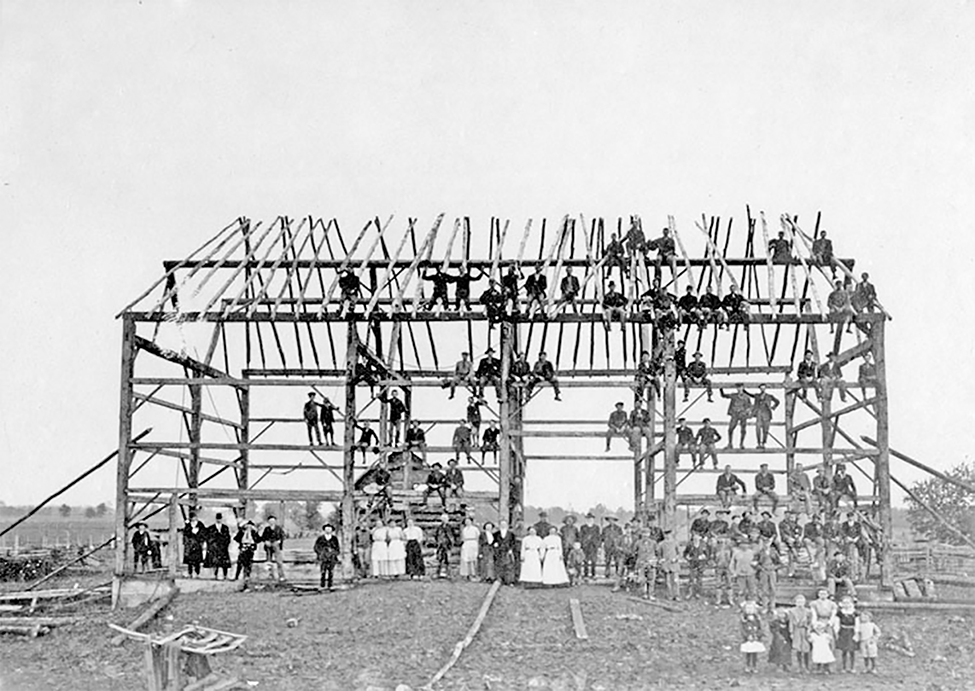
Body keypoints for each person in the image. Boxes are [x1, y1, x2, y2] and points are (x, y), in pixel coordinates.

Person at [720, 384, 753, 449]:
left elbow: (750, 406)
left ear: (743, 388)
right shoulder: (733, 395)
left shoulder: (747, 397)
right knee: (730, 429)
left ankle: (741, 444)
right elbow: (724, 395)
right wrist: (721, 389)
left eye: (740, 388)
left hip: (743, 415)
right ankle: (730, 444)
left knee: (743, 430)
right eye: (737, 388)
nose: (739, 389)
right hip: (735, 414)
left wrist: (748, 411)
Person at [788, 594, 814, 672]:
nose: (800, 603)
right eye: (798, 602)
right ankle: (799, 666)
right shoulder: (792, 611)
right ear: (795, 602)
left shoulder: (808, 611)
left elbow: (810, 622)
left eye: (802, 602)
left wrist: (809, 630)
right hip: (797, 630)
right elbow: (791, 622)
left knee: (806, 648)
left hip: (805, 630)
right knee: (798, 648)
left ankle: (806, 666)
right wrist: (791, 632)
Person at [740, 599, 766, 674]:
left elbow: (761, 628)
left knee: (754, 653)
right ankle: (748, 665)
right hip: (747, 638)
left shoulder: (757, 619)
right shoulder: (743, 620)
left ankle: (754, 666)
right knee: (748, 653)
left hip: (755, 638)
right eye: (748, 608)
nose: (749, 610)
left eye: (751, 608)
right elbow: (742, 629)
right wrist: (746, 636)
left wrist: (758, 635)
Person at [834, 596, 860, 673]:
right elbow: (837, 623)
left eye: (848, 603)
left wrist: (856, 633)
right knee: (844, 650)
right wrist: (836, 632)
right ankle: (844, 667)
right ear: (841, 604)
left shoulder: (855, 613)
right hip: (843, 631)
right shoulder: (840, 613)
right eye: (844, 603)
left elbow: (857, 624)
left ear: (851, 603)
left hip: (851, 631)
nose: (846, 604)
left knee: (852, 650)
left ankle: (852, 667)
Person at [756, 535, 780, 612]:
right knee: (764, 589)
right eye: (764, 543)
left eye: (768, 542)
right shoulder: (760, 552)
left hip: (772, 571)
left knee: (773, 589)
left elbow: (779, 563)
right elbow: (756, 563)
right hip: (764, 572)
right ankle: (765, 607)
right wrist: (761, 568)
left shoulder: (774, 552)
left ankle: (772, 607)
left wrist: (774, 568)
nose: (766, 544)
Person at [751, 384, 779, 449]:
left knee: (765, 429)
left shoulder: (769, 396)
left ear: (765, 389)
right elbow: (750, 395)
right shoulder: (757, 396)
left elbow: (777, 401)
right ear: (760, 389)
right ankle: (758, 443)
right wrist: (743, 390)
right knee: (758, 428)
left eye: (764, 388)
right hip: (759, 413)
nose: (762, 389)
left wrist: (773, 407)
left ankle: (763, 443)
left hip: (767, 414)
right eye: (761, 388)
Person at [313, 524, 340, 590]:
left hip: (332, 557)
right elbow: (316, 547)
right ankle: (322, 585)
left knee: (331, 571)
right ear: (324, 530)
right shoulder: (320, 538)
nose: (328, 530)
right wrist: (321, 553)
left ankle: (330, 585)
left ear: (332, 530)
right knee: (323, 571)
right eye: (326, 529)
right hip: (323, 557)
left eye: (329, 529)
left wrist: (333, 553)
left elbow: (337, 548)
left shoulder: (334, 539)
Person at [730, 538, 758, 603]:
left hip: (750, 574)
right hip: (740, 575)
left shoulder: (752, 553)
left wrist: (755, 570)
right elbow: (732, 564)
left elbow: (757, 562)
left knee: (752, 590)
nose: (744, 546)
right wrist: (733, 572)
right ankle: (741, 604)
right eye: (742, 544)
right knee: (741, 591)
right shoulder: (736, 553)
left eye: (746, 544)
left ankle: (753, 604)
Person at [634, 528, 659, 600]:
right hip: (641, 562)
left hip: (651, 563)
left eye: (647, 533)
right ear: (641, 534)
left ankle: (651, 594)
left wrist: (654, 560)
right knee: (642, 579)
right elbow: (634, 552)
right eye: (644, 533)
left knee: (651, 579)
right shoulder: (638, 543)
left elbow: (657, 553)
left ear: (649, 534)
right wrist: (639, 560)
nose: (645, 535)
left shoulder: (653, 543)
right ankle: (644, 593)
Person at [206, 513, 232, 580]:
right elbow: (209, 538)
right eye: (218, 519)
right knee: (215, 562)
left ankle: (225, 576)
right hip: (215, 548)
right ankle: (215, 575)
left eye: (220, 519)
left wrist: (226, 544)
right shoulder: (211, 528)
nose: (219, 520)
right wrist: (212, 545)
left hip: (223, 547)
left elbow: (228, 537)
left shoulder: (225, 528)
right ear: (216, 519)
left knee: (224, 563)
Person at [683, 532, 708, 600]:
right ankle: (689, 593)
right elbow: (685, 553)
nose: (696, 538)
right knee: (691, 579)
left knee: (699, 579)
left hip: (701, 564)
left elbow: (708, 554)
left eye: (697, 536)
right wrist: (687, 557)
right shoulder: (690, 545)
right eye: (694, 537)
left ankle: (698, 593)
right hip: (692, 563)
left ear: (700, 537)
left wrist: (704, 557)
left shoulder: (703, 544)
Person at [778, 509, 803, 577]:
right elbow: (783, 533)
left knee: (792, 556)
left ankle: (792, 570)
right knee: (791, 554)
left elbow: (798, 531)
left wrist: (797, 537)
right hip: (787, 540)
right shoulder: (782, 524)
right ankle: (795, 554)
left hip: (794, 542)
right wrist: (790, 537)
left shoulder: (796, 525)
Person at [261, 515, 286, 582]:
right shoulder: (267, 529)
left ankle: (281, 576)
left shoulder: (278, 528)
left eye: (273, 521)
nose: (271, 522)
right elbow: (263, 537)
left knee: (279, 561)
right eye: (270, 521)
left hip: (276, 546)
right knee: (269, 562)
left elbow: (283, 536)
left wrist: (279, 541)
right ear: (268, 522)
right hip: (269, 547)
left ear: (275, 521)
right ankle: (270, 575)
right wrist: (266, 541)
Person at [577, 513, 600, 581]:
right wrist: (583, 543)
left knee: (593, 561)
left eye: (591, 518)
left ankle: (593, 574)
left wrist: (597, 544)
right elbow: (580, 536)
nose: (590, 520)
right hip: (585, 546)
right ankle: (586, 574)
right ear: (586, 519)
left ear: (593, 519)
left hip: (593, 546)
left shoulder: (596, 527)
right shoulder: (583, 527)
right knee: (585, 560)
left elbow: (598, 537)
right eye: (588, 518)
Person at [494, 519, 518, 585]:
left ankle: (509, 581)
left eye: (504, 524)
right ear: (499, 525)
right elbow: (493, 542)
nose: (503, 525)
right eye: (502, 524)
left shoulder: (511, 534)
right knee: (499, 566)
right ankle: (500, 579)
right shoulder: (496, 534)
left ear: (507, 525)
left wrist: (511, 549)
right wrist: (495, 544)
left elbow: (513, 543)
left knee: (509, 566)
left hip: (508, 552)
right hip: (499, 552)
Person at [712, 535, 734, 607]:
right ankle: (718, 599)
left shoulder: (729, 548)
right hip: (719, 568)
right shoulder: (716, 548)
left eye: (724, 539)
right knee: (718, 584)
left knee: (729, 584)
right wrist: (715, 564)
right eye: (721, 540)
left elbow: (732, 558)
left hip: (727, 568)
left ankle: (730, 599)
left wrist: (731, 566)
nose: (722, 541)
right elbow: (713, 558)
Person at [804, 515, 827, 583]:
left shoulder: (820, 526)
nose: (815, 520)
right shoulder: (807, 525)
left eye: (817, 519)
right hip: (810, 538)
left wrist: (818, 529)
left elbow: (822, 535)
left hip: (817, 538)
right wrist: (811, 540)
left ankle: (815, 556)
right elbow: (806, 534)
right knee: (806, 541)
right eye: (814, 519)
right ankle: (813, 558)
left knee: (821, 542)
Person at [182, 513, 206, 578]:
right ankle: (190, 573)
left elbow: (204, 534)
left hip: (198, 545)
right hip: (190, 546)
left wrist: (201, 540)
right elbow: (185, 535)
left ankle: (197, 573)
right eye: (192, 519)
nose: (193, 520)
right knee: (190, 561)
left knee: (197, 561)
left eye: (195, 518)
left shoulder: (200, 525)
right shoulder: (188, 526)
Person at [433, 513, 454, 579]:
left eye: (446, 519)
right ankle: (438, 573)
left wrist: (451, 543)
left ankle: (449, 574)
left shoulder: (450, 527)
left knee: (448, 560)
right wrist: (438, 542)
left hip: (448, 545)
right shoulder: (439, 527)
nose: (444, 520)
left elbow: (452, 536)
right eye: (443, 519)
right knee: (440, 559)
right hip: (441, 545)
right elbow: (436, 536)